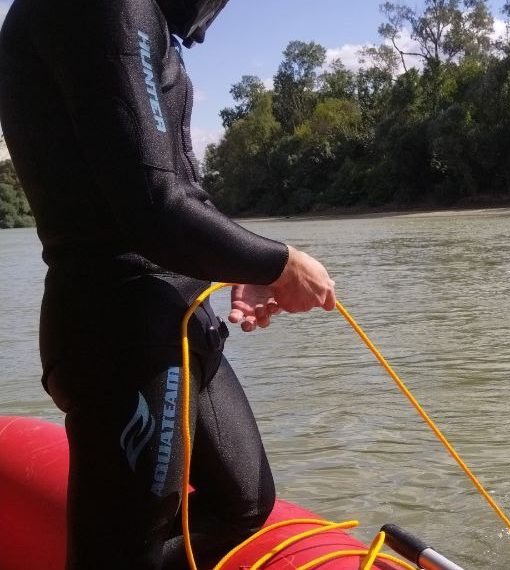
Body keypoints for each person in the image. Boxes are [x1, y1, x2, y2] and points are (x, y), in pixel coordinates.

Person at [0, 0, 338, 568]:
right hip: (121, 334)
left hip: (178, 323)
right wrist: (279, 264)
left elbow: (174, 186)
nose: (204, 33)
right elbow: (154, 205)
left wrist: (239, 268)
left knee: (244, 505)